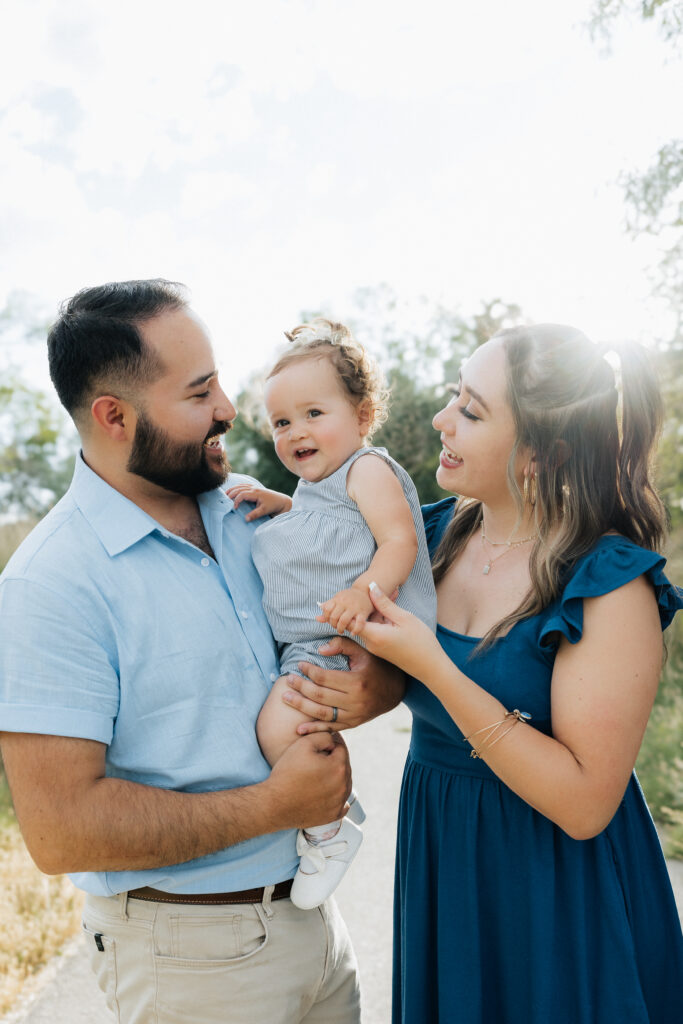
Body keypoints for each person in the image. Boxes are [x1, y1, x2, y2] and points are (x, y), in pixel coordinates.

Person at [0, 280, 403, 1024]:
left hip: (314, 927)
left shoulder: (253, 508)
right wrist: (277, 806)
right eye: (198, 392)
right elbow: (61, 830)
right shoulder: (48, 584)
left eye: (217, 379)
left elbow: (369, 639)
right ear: (113, 417)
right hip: (186, 958)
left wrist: (370, 684)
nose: (228, 408)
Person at [340, 323, 682, 1023]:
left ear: (540, 453)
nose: (441, 421)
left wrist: (433, 667)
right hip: (444, 864)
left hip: (558, 889)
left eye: (470, 410)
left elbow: (586, 805)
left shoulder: (607, 584)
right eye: (452, 399)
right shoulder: (428, 537)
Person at [226, 319, 436, 910]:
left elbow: (396, 541)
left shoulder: (369, 468)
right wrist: (283, 504)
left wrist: (366, 590)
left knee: (278, 728)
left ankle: (328, 829)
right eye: (282, 422)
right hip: (314, 637)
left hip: (340, 632)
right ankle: (329, 815)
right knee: (284, 725)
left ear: (363, 416)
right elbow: (334, 526)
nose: (296, 432)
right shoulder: (322, 485)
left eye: (314, 413)